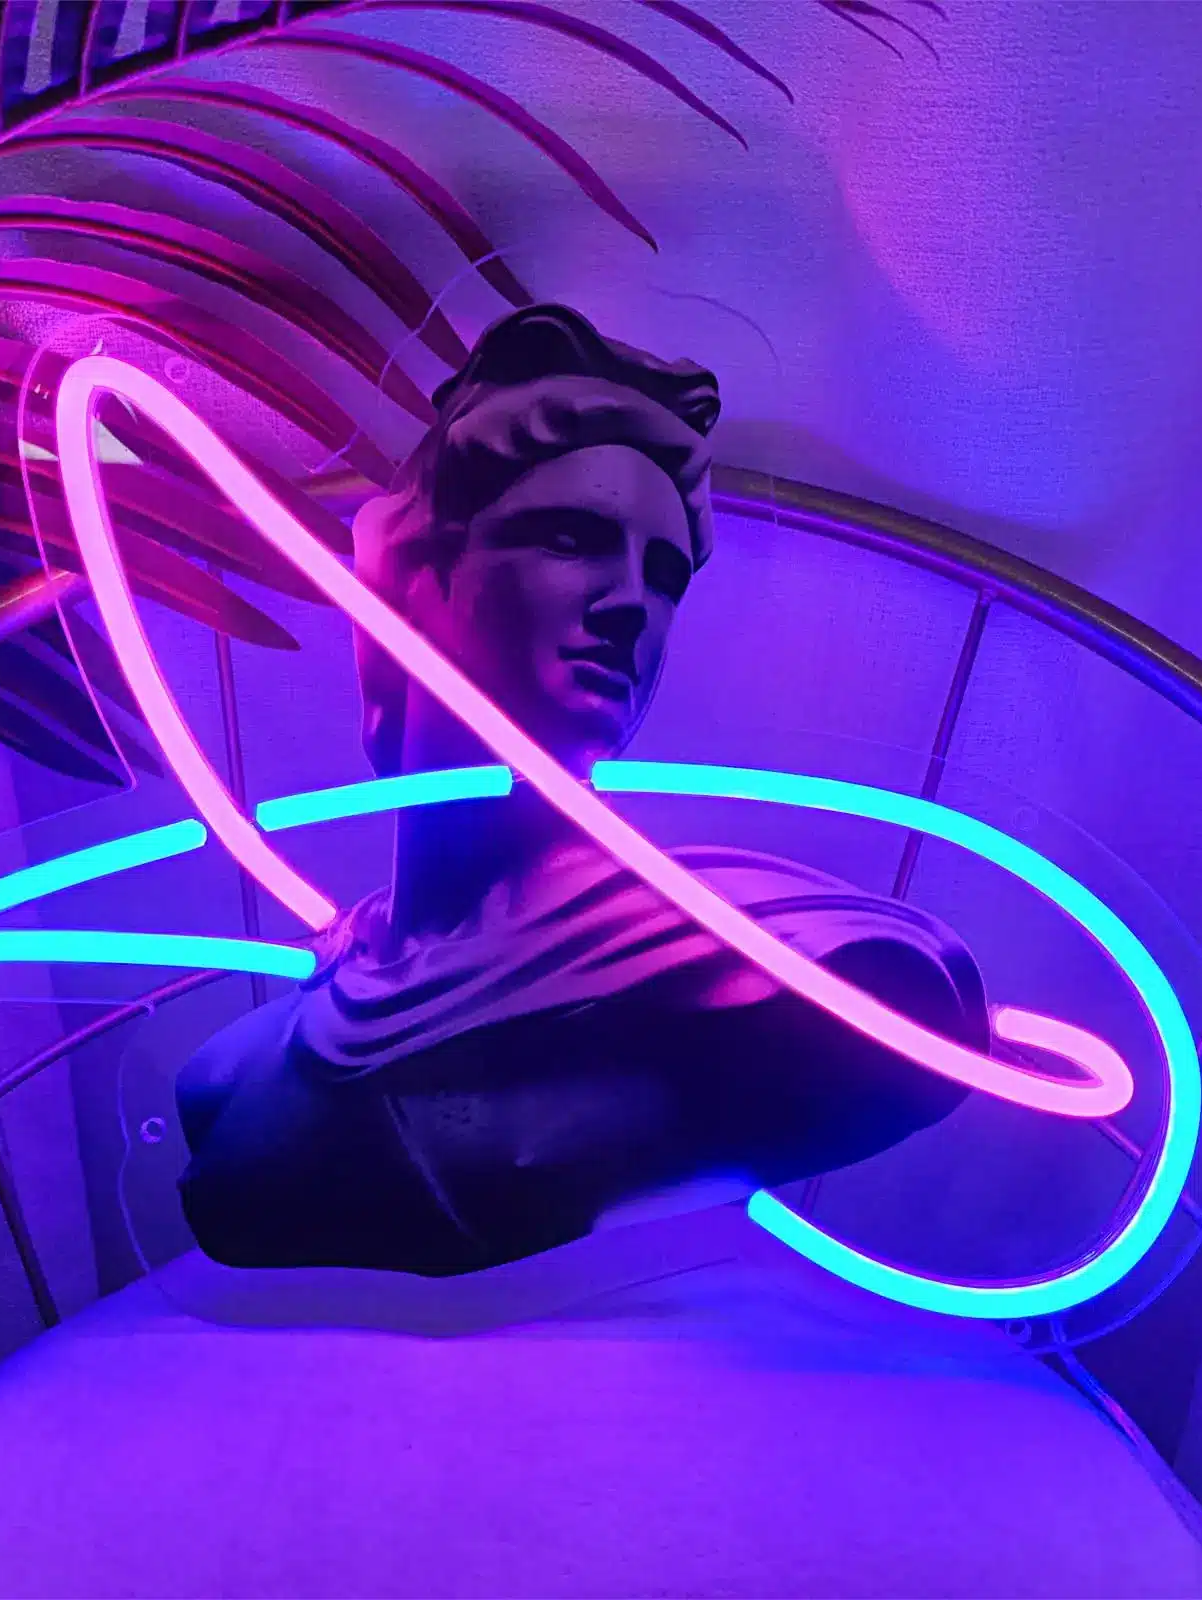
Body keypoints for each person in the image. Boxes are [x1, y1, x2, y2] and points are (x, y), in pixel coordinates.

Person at [175, 304, 988, 1274]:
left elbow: (907, 1028)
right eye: (569, 540)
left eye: (666, 575)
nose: (632, 604)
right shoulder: (239, 1064)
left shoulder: (814, 976)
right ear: (403, 582)